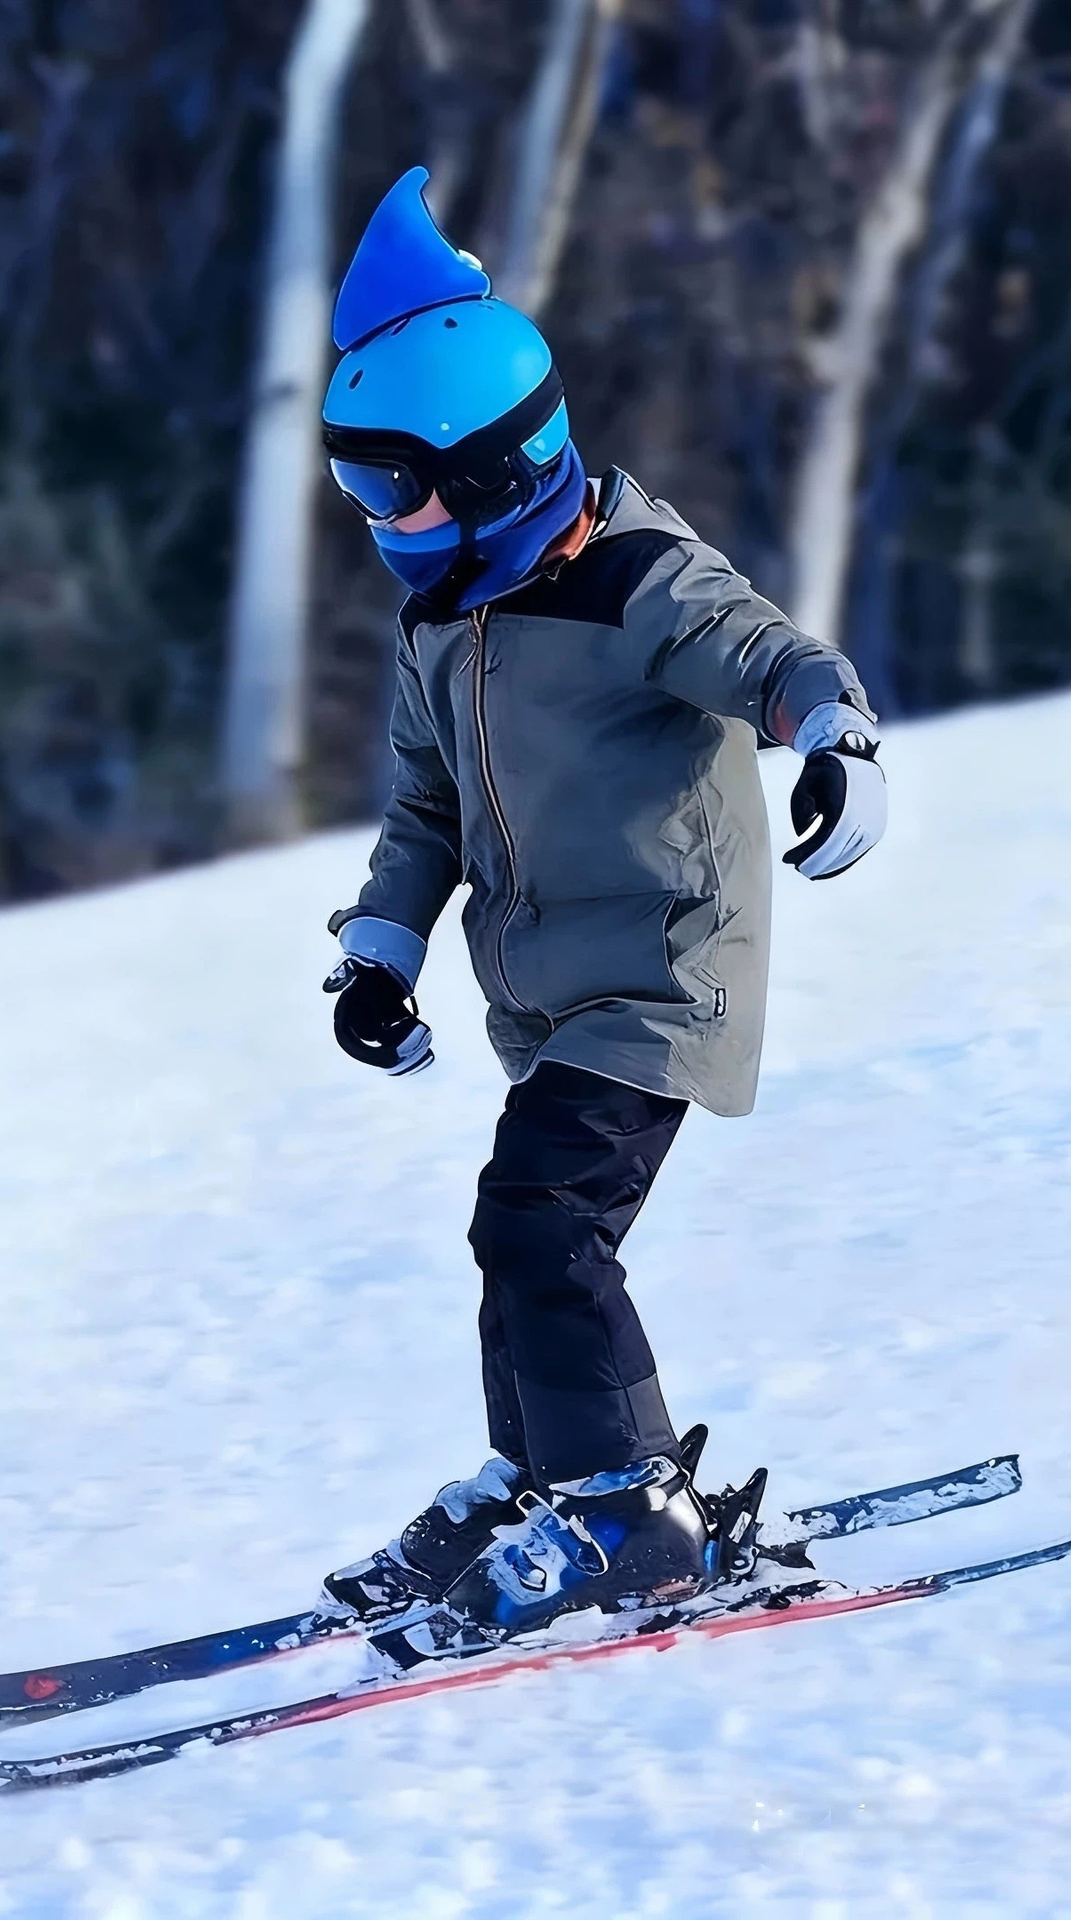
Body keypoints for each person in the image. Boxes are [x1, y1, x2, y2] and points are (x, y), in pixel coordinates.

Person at [316, 169, 887, 1645]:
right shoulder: (445, 621)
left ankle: (628, 1509)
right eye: (356, 487)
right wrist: (380, 950)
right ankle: (544, 1477)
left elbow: (770, 657)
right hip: (555, 992)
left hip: (663, 974)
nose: (375, 519)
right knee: (517, 1233)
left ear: (492, 472)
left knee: (543, 1222)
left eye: (391, 486)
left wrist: (837, 740)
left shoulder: (637, 581)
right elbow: (426, 807)